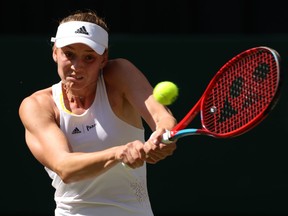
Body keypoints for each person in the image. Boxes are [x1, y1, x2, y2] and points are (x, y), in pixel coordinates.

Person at [18, 10, 177, 216]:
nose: (77, 66)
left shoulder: (120, 74)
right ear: (55, 52)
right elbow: (65, 167)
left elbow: (162, 117)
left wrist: (163, 137)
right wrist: (119, 152)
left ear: (104, 59)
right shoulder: (37, 106)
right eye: (69, 54)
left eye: (89, 57)